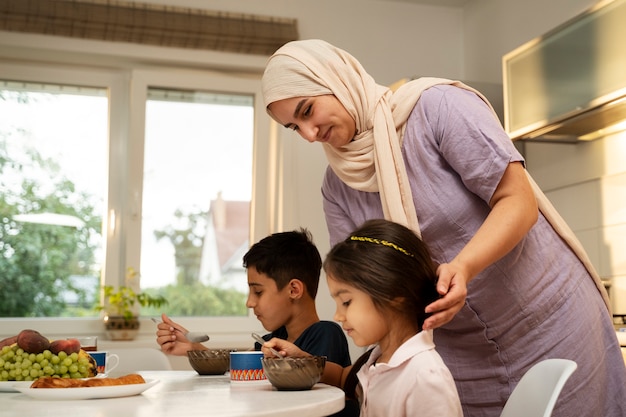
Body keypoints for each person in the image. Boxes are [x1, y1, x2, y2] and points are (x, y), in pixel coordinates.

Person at [260, 39, 626, 417]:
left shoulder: (437, 107)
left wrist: (463, 266)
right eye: (293, 127)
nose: (308, 133)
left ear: (336, 79)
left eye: (307, 111)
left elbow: (518, 200)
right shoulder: (337, 186)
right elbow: (364, 288)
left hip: (550, 322)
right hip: (457, 356)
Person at [262, 219, 463, 417]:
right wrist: (301, 359)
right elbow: (343, 378)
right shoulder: (376, 359)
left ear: (394, 295)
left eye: (347, 302)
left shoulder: (426, 379)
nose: (337, 316)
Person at [155, 228, 351, 367]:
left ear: (293, 290)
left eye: (258, 292)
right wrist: (192, 347)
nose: (249, 302)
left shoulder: (326, 334)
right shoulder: (272, 339)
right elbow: (233, 366)